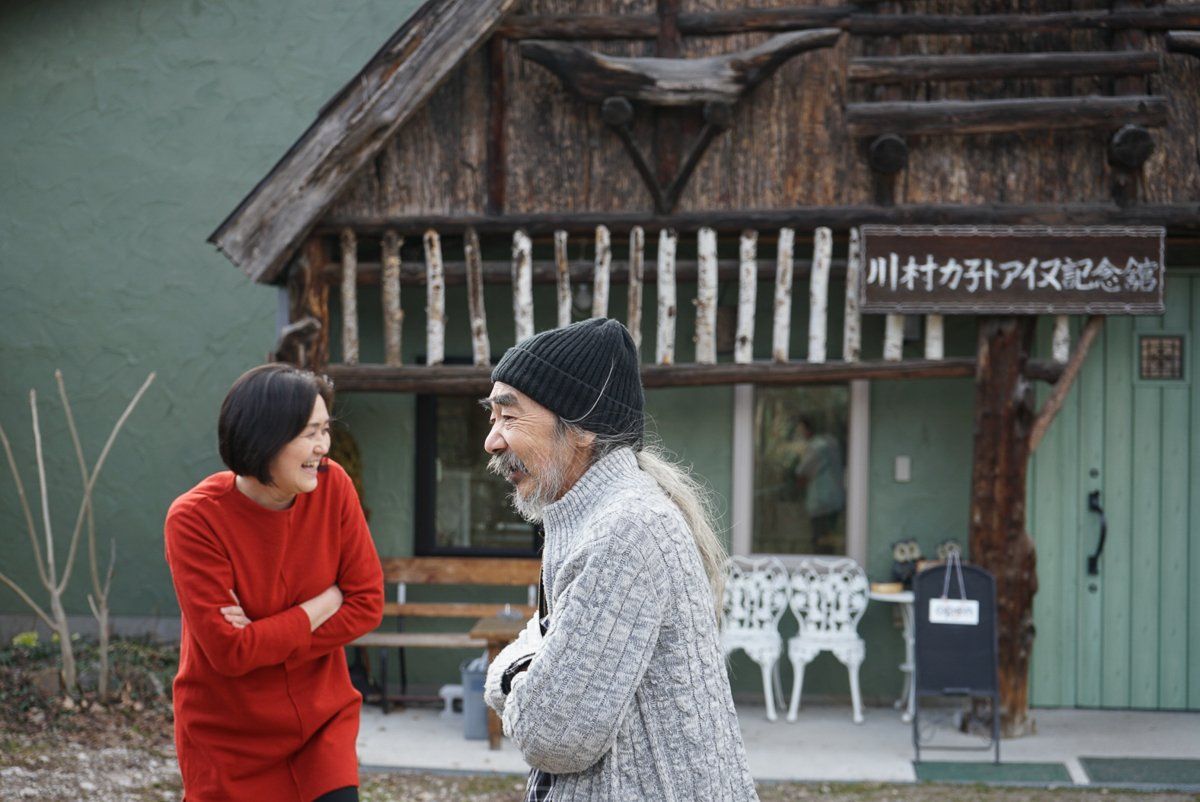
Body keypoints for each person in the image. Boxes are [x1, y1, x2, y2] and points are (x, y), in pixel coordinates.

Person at [480, 318, 758, 801]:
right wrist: (538, 662)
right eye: (493, 417)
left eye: (510, 416)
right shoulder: (593, 518)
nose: (492, 440)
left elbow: (553, 734)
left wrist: (507, 673)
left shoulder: (625, 529)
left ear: (583, 428)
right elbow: (545, 653)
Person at [164, 364, 383, 802]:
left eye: (325, 430)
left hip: (321, 724)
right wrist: (322, 605)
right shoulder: (194, 519)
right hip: (228, 739)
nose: (322, 447)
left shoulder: (334, 486)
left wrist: (262, 637)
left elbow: (367, 604)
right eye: (308, 433)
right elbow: (229, 652)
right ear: (263, 438)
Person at [793, 416, 845, 554]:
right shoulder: (832, 443)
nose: (799, 435)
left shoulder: (817, 447)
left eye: (800, 431)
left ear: (808, 429)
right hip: (834, 498)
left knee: (821, 539)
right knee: (829, 537)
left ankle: (822, 561)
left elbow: (802, 471)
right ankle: (828, 560)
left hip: (822, 501)